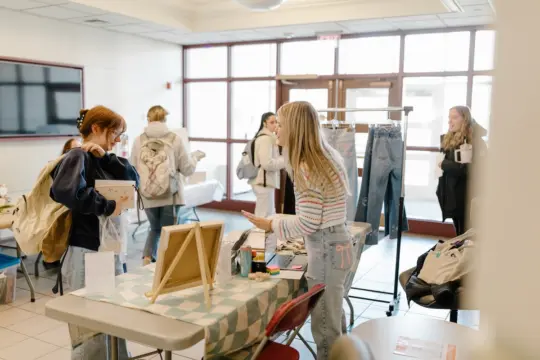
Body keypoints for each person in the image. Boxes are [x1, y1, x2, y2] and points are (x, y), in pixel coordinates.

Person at [242, 101, 353, 360]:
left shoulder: (306, 165)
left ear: (294, 127)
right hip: (339, 243)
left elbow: (307, 224)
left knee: (326, 331)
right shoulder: (326, 155)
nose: (275, 130)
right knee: (336, 322)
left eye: (279, 124)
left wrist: (272, 224)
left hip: (326, 249)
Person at [50, 105, 139, 359]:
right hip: (87, 251)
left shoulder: (101, 158)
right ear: (97, 128)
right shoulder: (76, 156)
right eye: (114, 133)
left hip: (107, 251)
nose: (117, 140)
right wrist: (107, 206)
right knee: (90, 328)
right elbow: (64, 192)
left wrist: (106, 157)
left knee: (113, 319)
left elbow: (134, 180)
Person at [131, 105, 204, 265]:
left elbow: (133, 168)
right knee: (169, 231)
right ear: (165, 119)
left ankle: (147, 258)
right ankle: (169, 265)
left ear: (148, 120)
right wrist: (195, 158)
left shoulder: (139, 140)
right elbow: (187, 169)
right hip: (170, 195)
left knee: (155, 228)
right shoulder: (174, 139)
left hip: (147, 194)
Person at [437, 105, 487, 235]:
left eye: (454, 117)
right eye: (449, 117)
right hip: (452, 194)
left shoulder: (475, 142)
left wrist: (444, 164)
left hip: (467, 195)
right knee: (459, 233)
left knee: (467, 233)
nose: (450, 121)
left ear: (464, 119)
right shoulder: (448, 140)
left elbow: (468, 169)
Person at [249, 112, 285, 217]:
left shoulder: (266, 137)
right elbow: (267, 164)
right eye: (272, 122)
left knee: (267, 214)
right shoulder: (266, 139)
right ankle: (260, 233)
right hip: (263, 182)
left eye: (276, 122)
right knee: (263, 215)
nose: (275, 125)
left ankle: (263, 233)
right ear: (264, 123)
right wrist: (284, 160)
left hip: (264, 181)